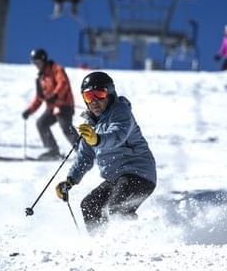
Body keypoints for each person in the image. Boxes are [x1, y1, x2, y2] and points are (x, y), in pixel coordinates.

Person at [55, 72, 157, 234]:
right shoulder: (91, 125)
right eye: (88, 96)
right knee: (89, 205)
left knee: (117, 208)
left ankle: (137, 242)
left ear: (109, 94)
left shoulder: (121, 113)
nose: (94, 101)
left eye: (99, 94)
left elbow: (117, 135)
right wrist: (70, 181)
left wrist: (97, 140)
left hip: (139, 174)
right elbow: (84, 157)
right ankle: (101, 244)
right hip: (116, 178)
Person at [22, 48, 79, 160]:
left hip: (64, 105)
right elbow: (39, 98)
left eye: (37, 62)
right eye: (34, 63)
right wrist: (29, 110)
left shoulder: (56, 69)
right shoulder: (40, 79)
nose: (36, 65)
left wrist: (55, 95)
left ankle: (83, 151)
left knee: (65, 126)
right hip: (52, 107)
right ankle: (53, 150)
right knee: (41, 123)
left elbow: (63, 83)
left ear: (43, 60)